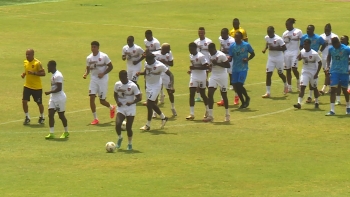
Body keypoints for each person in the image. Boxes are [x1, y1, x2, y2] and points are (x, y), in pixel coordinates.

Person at [137, 53, 174, 131]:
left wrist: (171, 85)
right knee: (150, 105)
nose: (147, 62)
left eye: (148, 60)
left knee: (149, 103)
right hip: (148, 85)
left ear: (152, 59)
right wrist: (140, 73)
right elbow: (146, 72)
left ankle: (147, 125)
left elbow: (171, 75)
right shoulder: (146, 62)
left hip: (156, 86)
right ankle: (163, 118)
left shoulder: (160, 65)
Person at [83, 41, 115, 125]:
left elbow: (111, 66)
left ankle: (111, 107)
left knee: (102, 101)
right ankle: (95, 118)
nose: (93, 48)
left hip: (103, 80)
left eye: (94, 47)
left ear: (98, 48)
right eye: (92, 47)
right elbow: (87, 68)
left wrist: (103, 73)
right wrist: (86, 73)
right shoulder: (89, 58)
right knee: (91, 97)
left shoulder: (104, 56)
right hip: (93, 80)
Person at [114, 70, 142, 150]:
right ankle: (120, 138)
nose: (121, 80)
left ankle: (129, 144)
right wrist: (117, 101)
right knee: (118, 124)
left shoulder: (133, 85)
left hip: (130, 108)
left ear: (126, 77)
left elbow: (139, 98)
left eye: (122, 78)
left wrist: (132, 102)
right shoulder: (117, 84)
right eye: (120, 78)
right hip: (121, 107)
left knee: (129, 127)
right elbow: (115, 94)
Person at [203, 43, 231, 122]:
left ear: (213, 49)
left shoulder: (221, 55)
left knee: (224, 95)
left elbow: (228, 65)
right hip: (214, 76)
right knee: (210, 93)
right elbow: (211, 65)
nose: (210, 53)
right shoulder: (209, 55)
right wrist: (209, 67)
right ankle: (211, 115)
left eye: (210, 51)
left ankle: (227, 114)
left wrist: (217, 63)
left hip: (222, 76)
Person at [300, 25, 326, 103]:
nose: (308, 30)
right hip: (307, 59)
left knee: (313, 79)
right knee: (307, 77)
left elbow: (324, 43)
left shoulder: (318, 37)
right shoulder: (304, 37)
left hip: (315, 59)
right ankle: (312, 95)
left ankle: (311, 96)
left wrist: (320, 51)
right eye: (307, 29)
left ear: (313, 30)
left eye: (309, 29)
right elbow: (301, 45)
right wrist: (302, 53)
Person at [228, 32, 255, 108]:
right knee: (235, 87)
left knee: (240, 85)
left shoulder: (246, 45)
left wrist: (248, 59)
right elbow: (230, 57)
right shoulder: (232, 46)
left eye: (238, 37)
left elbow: (253, 53)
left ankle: (247, 97)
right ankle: (243, 102)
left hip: (243, 68)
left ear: (241, 37)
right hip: (235, 69)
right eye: (235, 37)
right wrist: (229, 58)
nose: (236, 39)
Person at [293, 39, 322, 109]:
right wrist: (298, 58)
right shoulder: (302, 51)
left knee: (314, 88)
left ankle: (316, 102)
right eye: (304, 44)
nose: (304, 46)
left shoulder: (314, 53)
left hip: (313, 72)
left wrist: (317, 73)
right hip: (305, 71)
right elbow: (299, 57)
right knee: (302, 87)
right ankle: (299, 103)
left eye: (306, 44)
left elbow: (320, 63)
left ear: (309, 45)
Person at [44, 60, 69, 139]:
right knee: (50, 114)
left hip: (59, 98)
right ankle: (51, 133)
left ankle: (66, 132)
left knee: (61, 116)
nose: (47, 68)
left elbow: (59, 88)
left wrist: (49, 92)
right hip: (53, 98)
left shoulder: (58, 75)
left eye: (48, 66)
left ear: (52, 66)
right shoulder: (53, 75)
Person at [325, 37, 350, 116]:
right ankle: (332, 110)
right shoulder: (331, 49)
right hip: (334, 72)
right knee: (333, 90)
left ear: (338, 43)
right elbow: (329, 57)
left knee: (345, 90)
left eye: (335, 45)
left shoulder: (346, 49)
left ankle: (348, 107)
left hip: (344, 72)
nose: (334, 46)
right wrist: (328, 66)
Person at [21, 49, 46, 125]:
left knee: (39, 103)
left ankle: (42, 116)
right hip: (27, 86)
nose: (27, 56)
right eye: (26, 54)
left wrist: (34, 73)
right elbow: (26, 70)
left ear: (33, 55)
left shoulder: (37, 63)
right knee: (24, 101)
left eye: (28, 54)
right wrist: (24, 74)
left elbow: (43, 73)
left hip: (37, 87)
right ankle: (27, 117)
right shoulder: (25, 62)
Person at [262, 26, 288, 98]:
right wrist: (265, 49)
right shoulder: (267, 37)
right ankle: (268, 92)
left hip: (279, 58)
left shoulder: (278, 39)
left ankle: (286, 85)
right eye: (268, 33)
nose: (269, 34)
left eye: (270, 33)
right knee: (268, 74)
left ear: (273, 32)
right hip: (271, 58)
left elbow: (284, 48)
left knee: (280, 73)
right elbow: (268, 43)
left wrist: (275, 48)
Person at [186, 42, 210, 120]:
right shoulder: (190, 56)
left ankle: (207, 110)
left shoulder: (201, 56)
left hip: (202, 76)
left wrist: (194, 68)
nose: (190, 51)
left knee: (203, 94)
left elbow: (206, 67)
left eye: (191, 49)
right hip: (194, 76)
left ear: (195, 48)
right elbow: (193, 66)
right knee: (191, 93)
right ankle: (191, 114)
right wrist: (191, 70)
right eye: (189, 49)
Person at [217, 28, 239, 106]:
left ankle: (237, 97)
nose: (222, 36)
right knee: (222, 80)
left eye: (223, 34)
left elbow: (234, 51)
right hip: (223, 61)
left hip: (231, 62)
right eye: (221, 34)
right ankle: (222, 99)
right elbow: (221, 48)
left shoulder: (232, 41)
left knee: (233, 81)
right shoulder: (220, 39)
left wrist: (229, 56)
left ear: (227, 34)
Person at [153, 43, 177, 116]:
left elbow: (171, 63)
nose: (169, 50)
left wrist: (165, 62)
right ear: (164, 49)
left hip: (166, 74)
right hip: (158, 75)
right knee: (156, 93)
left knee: (170, 92)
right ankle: (154, 112)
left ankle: (173, 108)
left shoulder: (169, 54)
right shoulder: (155, 54)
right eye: (168, 49)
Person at [282, 18, 303, 92]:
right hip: (287, 53)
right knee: (288, 70)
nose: (286, 26)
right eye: (286, 25)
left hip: (295, 52)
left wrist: (301, 52)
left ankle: (298, 81)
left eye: (287, 25)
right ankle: (289, 87)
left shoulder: (298, 31)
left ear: (291, 24)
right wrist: (284, 53)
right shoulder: (285, 33)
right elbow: (283, 44)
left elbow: (302, 42)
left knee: (294, 69)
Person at [319, 24, 339, 95]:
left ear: (330, 30)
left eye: (327, 30)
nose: (326, 31)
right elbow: (320, 45)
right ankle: (331, 87)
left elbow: (337, 47)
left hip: (332, 57)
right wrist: (319, 51)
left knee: (329, 72)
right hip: (323, 56)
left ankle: (324, 88)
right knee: (325, 71)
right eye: (325, 30)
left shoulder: (335, 36)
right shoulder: (321, 36)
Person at [194, 27, 212, 102]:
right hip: (197, 63)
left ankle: (210, 92)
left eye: (202, 33)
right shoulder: (196, 42)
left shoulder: (208, 41)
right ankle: (198, 96)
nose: (200, 34)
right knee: (197, 80)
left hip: (206, 63)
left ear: (204, 33)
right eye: (199, 33)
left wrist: (210, 63)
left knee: (204, 79)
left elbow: (212, 52)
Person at [143, 30, 161, 105]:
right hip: (148, 62)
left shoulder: (156, 42)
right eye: (146, 36)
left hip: (154, 62)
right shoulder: (145, 41)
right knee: (146, 79)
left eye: (148, 36)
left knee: (156, 80)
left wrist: (151, 54)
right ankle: (149, 99)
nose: (147, 38)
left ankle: (156, 98)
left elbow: (159, 52)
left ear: (151, 35)